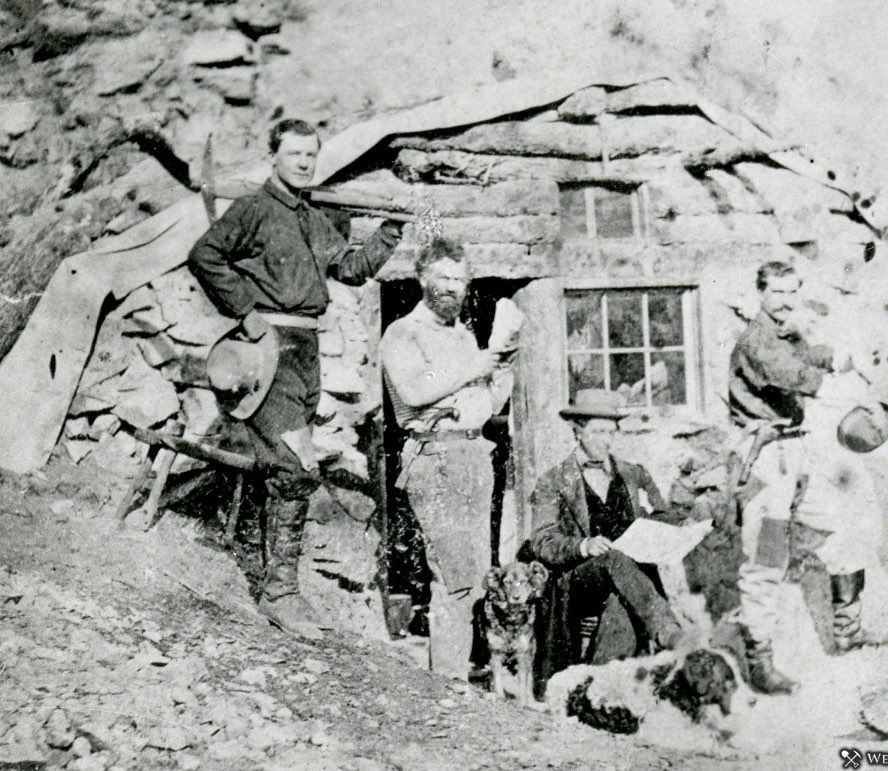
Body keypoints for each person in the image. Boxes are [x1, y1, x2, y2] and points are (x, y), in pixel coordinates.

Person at [188, 118, 404, 640]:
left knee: (289, 464)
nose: (305, 163)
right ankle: (280, 593)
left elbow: (350, 270)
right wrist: (245, 312)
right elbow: (205, 255)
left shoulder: (308, 216)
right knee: (294, 465)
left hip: (306, 351)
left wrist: (391, 232)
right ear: (274, 158)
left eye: (312, 155)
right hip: (268, 351)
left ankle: (277, 582)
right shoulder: (255, 210)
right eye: (295, 155)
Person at [728, 260, 881, 695]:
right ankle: (761, 666)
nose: (786, 301)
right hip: (764, 462)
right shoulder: (755, 339)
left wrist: (848, 359)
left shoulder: (786, 333)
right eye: (777, 293)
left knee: (837, 531)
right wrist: (857, 394)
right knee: (767, 557)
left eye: (792, 292)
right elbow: (789, 372)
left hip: (797, 452)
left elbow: (809, 354)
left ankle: (847, 630)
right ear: (761, 293)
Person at [379, 238, 515, 681]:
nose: (451, 288)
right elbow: (413, 392)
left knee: (474, 577)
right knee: (456, 578)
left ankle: (456, 679)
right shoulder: (404, 332)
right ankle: (450, 683)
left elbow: (486, 407)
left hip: (473, 454)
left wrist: (502, 370)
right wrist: (473, 367)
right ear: (422, 279)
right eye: (442, 278)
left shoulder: (461, 335)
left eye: (459, 280)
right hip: (437, 457)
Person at [526, 389, 683, 696]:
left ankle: (600, 686)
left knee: (618, 596)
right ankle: (669, 632)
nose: (606, 440)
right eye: (598, 431)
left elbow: (663, 514)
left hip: (631, 577)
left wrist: (677, 530)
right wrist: (583, 546)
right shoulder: (554, 481)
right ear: (577, 431)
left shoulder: (633, 474)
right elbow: (542, 541)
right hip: (579, 579)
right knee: (613, 559)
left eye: (612, 432)